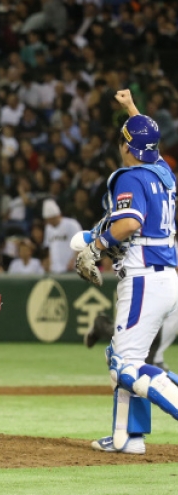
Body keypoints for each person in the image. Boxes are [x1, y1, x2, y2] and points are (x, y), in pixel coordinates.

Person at [74, 89, 178, 455]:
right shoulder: (164, 173)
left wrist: (96, 246)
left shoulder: (131, 176)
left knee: (125, 367)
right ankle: (126, 438)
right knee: (122, 356)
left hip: (145, 276)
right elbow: (151, 146)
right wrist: (133, 109)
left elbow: (129, 222)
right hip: (165, 274)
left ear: (126, 146)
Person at [42, 198, 82, 273]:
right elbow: (50, 248)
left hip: (71, 268)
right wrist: (49, 264)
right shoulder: (48, 228)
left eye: (52, 219)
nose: (50, 222)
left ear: (58, 215)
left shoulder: (72, 224)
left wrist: (74, 260)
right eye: (48, 220)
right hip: (55, 269)